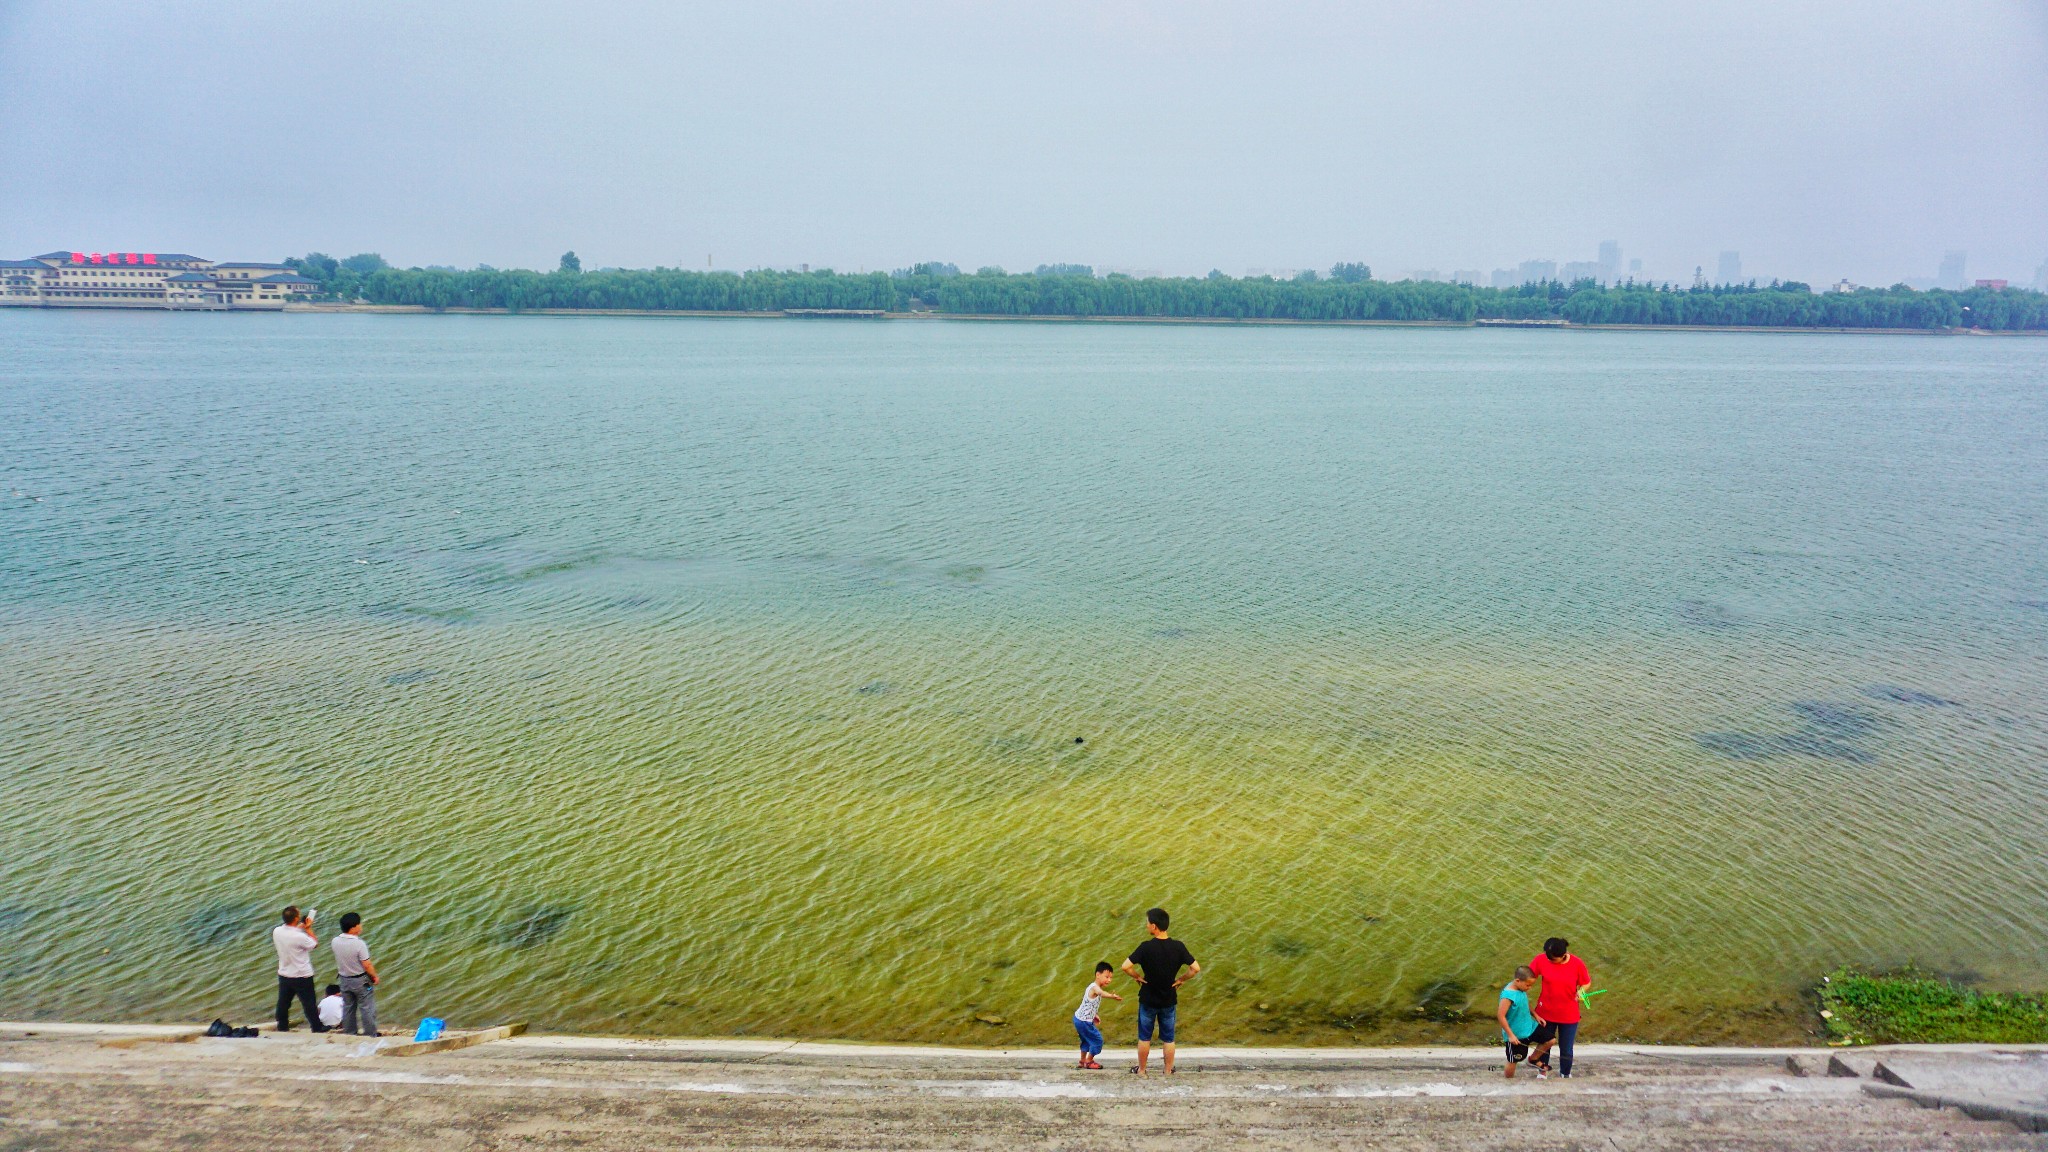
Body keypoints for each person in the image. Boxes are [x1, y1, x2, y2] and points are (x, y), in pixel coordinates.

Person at [1120, 907, 1198, 1075]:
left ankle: (1141, 1070)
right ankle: (1168, 1070)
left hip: (1148, 999)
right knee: (1169, 1038)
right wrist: (1181, 979)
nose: (1146, 926)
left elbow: (1125, 966)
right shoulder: (1178, 947)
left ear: (1154, 926)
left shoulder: (1145, 947)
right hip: (1168, 999)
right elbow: (1195, 968)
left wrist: (1137, 977)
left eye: (1147, 923)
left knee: (1144, 1037)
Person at [1528, 937, 1591, 1077]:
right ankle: (1542, 1071)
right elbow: (1528, 977)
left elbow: (1586, 982)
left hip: (1569, 1015)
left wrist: (1581, 991)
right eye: (1548, 957)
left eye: (1553, 959)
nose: (1549, 960)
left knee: (1566, 1048)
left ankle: (1565, 1073)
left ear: (1563, 955)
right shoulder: (1541, 959)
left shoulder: (1577, 963)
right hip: (1545, 1012)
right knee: (1545, 1044)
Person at [272, 906, 327, 1032]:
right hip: (302, 975)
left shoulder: (277, 931)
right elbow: (314, 943)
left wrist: (300, 927)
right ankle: (316, 1027)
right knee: (309, 1003)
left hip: (285, 973)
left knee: (283, 1002)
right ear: (296, 918)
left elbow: (290, 932)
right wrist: (308, 928)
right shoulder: (300, 937)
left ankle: (282, 1025)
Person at [331, 912, 381, 1037]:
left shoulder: (335, 941)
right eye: (359, 924)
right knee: (367, 1008)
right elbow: (367, 965)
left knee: (348, 1008)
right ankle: (370, 1033)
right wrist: (374, 976)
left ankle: (350, 1032)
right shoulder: (359, 944)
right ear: (353, 928)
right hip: (360, 980)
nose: (361, 926)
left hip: (344, 979)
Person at [1072, 961, 1123, 1070]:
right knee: (1097, 1041)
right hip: (1084, 1022)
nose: (1109, 980)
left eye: (1111, 977)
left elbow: (1089, 1004)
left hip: (1079, 1018)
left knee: (1086, 1040)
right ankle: (1089, 1061)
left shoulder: (1093, 987)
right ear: (1098, 975)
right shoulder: (1095, 988)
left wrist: (1095, 1015)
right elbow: (1100, 993)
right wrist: (1111, 996)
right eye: (1107, 977)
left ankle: (1082, 1061)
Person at [1496, 965, 1541, 1078]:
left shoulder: (1520, 988)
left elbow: (1524, 1003)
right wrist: (1511, 1035)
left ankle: (1533, 1059)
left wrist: (1535, 1015)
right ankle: (1508, 1081)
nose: (1529, 988)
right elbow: (1501, 1016)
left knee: (1550, 1039)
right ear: (1517, 981)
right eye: (1528, 985)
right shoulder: (1508, 996)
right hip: (1515, 1034)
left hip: (1528, 1027)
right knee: (1513, 1060)